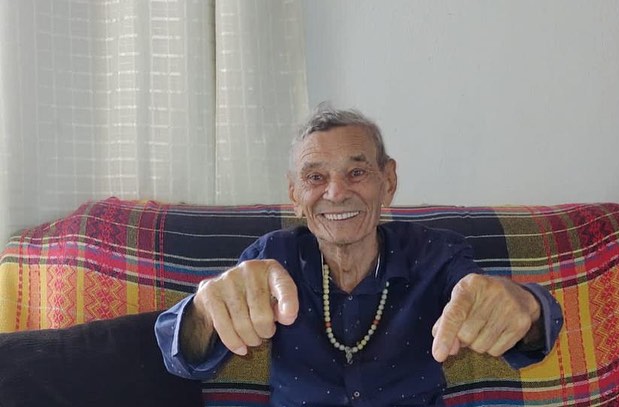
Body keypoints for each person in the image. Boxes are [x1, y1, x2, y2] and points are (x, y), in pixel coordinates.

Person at [155, 105, 563, 406]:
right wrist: (205, 313)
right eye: (315, 177)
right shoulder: (272, 257)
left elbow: (521, 327)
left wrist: (525, 306)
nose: (336, 192)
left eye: (357, 172)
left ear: (388, 182)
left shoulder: (435, 254)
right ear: (295, 196)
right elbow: (185, 357)